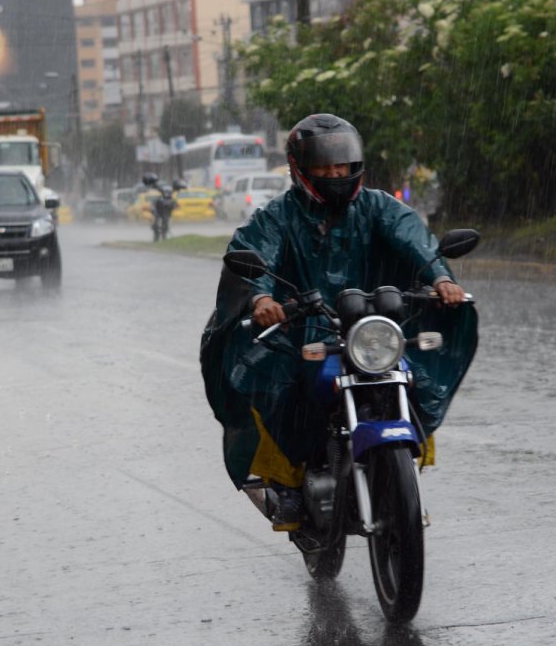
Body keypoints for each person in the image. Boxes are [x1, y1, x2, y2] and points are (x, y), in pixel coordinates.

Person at [199, 113, 478, 531]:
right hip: (303, 330)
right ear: (301, 168)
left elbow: (412, 237)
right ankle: (289, 485)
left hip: (371, 326)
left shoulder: (379, 206)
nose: (335, 173)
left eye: (342, 165)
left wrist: (440, 278)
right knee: (271, 387)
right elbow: (254, 253)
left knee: (411, 377)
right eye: (324, 166)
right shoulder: (278, 216)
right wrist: (261, 297)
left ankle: (402, 474)